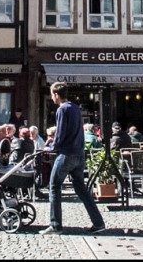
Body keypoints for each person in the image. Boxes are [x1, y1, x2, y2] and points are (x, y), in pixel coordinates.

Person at [41, 82, 105, 235]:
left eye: (52, 94)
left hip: (66, 154)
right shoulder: (76, 108)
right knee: (81, 189)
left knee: (54, 186)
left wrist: (51, 147)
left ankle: (55, 225)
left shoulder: (62, 109)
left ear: (56, 94)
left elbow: (60, 133)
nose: (52, 97)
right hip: (79, 154)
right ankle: (98, 223)